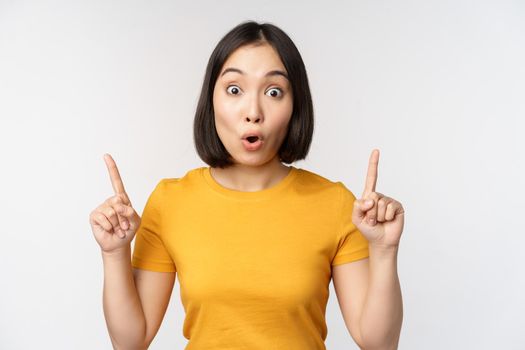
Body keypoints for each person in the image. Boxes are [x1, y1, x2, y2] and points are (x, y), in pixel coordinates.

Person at [89, 20, 405, 350]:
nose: (253, 112)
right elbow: (130, 341)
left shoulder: (335, 203)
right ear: (211, 100)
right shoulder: (171, 202)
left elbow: (378, 344)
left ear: (295, 105)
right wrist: (114, 254)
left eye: (273, 92)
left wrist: (384, 251)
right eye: (235, 90)